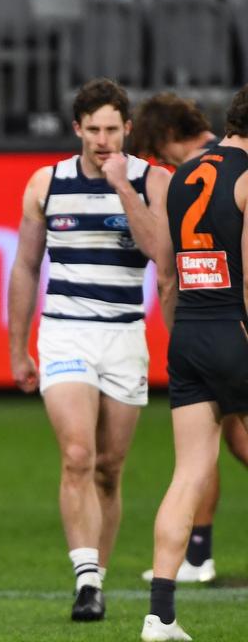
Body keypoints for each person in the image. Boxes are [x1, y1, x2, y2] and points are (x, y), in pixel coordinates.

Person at [8, 78, 174, 622]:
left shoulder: (154, 180)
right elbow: (26, 266)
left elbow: (160, 257)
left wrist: (122, 187)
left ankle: (97, 577)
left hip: (125, 334)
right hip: (65, 331)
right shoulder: (46, 182)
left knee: (109, 467)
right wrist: (17, 347)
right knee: (77, 454)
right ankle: (85, 580)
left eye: (113, 130)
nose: (103, 140)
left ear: (128, 130)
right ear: (77, 128)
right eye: (93, 129)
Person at [140, 85, 248, 642]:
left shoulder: (183, 177)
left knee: (188, 476)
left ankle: (159, 616)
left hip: (189, 334)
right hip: (237, 330)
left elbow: (170, 266)